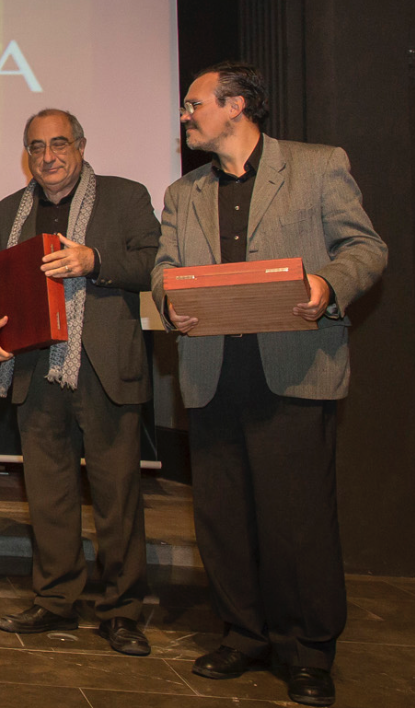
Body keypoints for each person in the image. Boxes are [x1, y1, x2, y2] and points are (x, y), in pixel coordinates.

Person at [152, 64, 385, 708]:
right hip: (212, 374)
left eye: (194, 104)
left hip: (294, 372)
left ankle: (307, 651)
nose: (185, 115)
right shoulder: (182, 193)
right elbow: (165, 268)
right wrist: (170, 301)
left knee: (297, 522)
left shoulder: (317, 166)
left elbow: (366, 248)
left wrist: (327, 285)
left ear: (235, 106)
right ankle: (243, 634)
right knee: (223, 520)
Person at [0, 108, 158, 657]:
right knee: (49, 496)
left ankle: (122, 611)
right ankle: (55, 601)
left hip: (103, 369)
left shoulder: (125, 196)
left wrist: (93, 259)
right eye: (36, 147)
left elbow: (155, 263)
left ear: (80, 145)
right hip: (33, 368)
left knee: (117, 498)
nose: (47, 156)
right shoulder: (11, 209)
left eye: (58, 144)